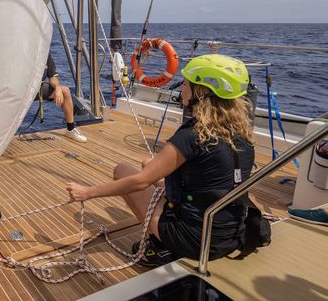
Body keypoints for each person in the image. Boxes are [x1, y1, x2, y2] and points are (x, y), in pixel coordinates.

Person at [66, 54, 256, 267]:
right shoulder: (241, 133)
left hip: (197, 241)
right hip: (230, 234)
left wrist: (87, 193)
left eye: (185, 84)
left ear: (200, 93)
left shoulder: (192, 135)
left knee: (122, 171)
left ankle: (163, 247)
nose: (181, 88)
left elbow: (140, 182)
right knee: (149, 164)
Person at [40, 53, 88, 143]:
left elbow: (52, 76)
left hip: (38, 89)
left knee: (65, 91)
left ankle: (70, 130)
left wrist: (57, 88)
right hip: (21, 90)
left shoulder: (45, 52)